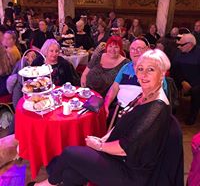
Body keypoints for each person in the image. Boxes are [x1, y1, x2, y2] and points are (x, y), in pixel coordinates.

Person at [33, 49, 183, 186]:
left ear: (162, 73)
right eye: (140, 69)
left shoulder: (156, 108)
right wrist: (103, 139)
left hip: (131, 172)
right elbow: (124, 121)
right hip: (119, 158)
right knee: (71, 174)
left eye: (150, 70)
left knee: (69, 153)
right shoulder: (145, 95)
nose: (143, 75)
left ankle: (46, 184)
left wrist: (99, 146)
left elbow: (127, 147)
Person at [104, 37, 149, 118]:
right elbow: (114, 88)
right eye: (132, 49)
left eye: (139, 49)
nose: (135, 52)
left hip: (139, 115)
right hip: (119, 109)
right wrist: (106, 105)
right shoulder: (125, 67)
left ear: (147, 50)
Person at [171, 33, 200, 125]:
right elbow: (174, 69)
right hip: (181, 80)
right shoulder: (178, 53)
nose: (179, 47)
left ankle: (192, 116)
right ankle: (172, 111)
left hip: (196, 83)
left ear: (190, 45)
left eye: (181, 45)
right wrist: (183, 81)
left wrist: (192, 84)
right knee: (170, 83)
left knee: (196, 91)